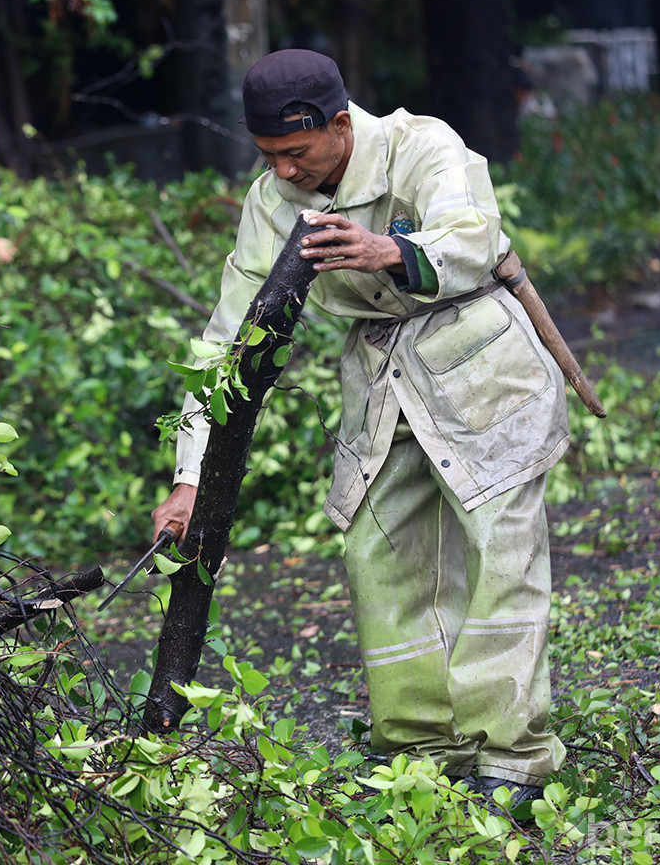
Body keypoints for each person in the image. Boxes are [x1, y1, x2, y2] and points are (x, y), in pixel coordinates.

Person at [151, 49, 570, 808]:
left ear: (340, 126)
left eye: (296, 153)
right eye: (269, 156)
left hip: (481, 366)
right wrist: (189, 478)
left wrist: (395, 251)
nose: (283, 172)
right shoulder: (271, 202)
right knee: (380, 550)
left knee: (500, 553)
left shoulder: (424, 145)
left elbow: (474, 233)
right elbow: (226, 343)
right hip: (381, 380)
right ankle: (420, 747)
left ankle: (511, 760)